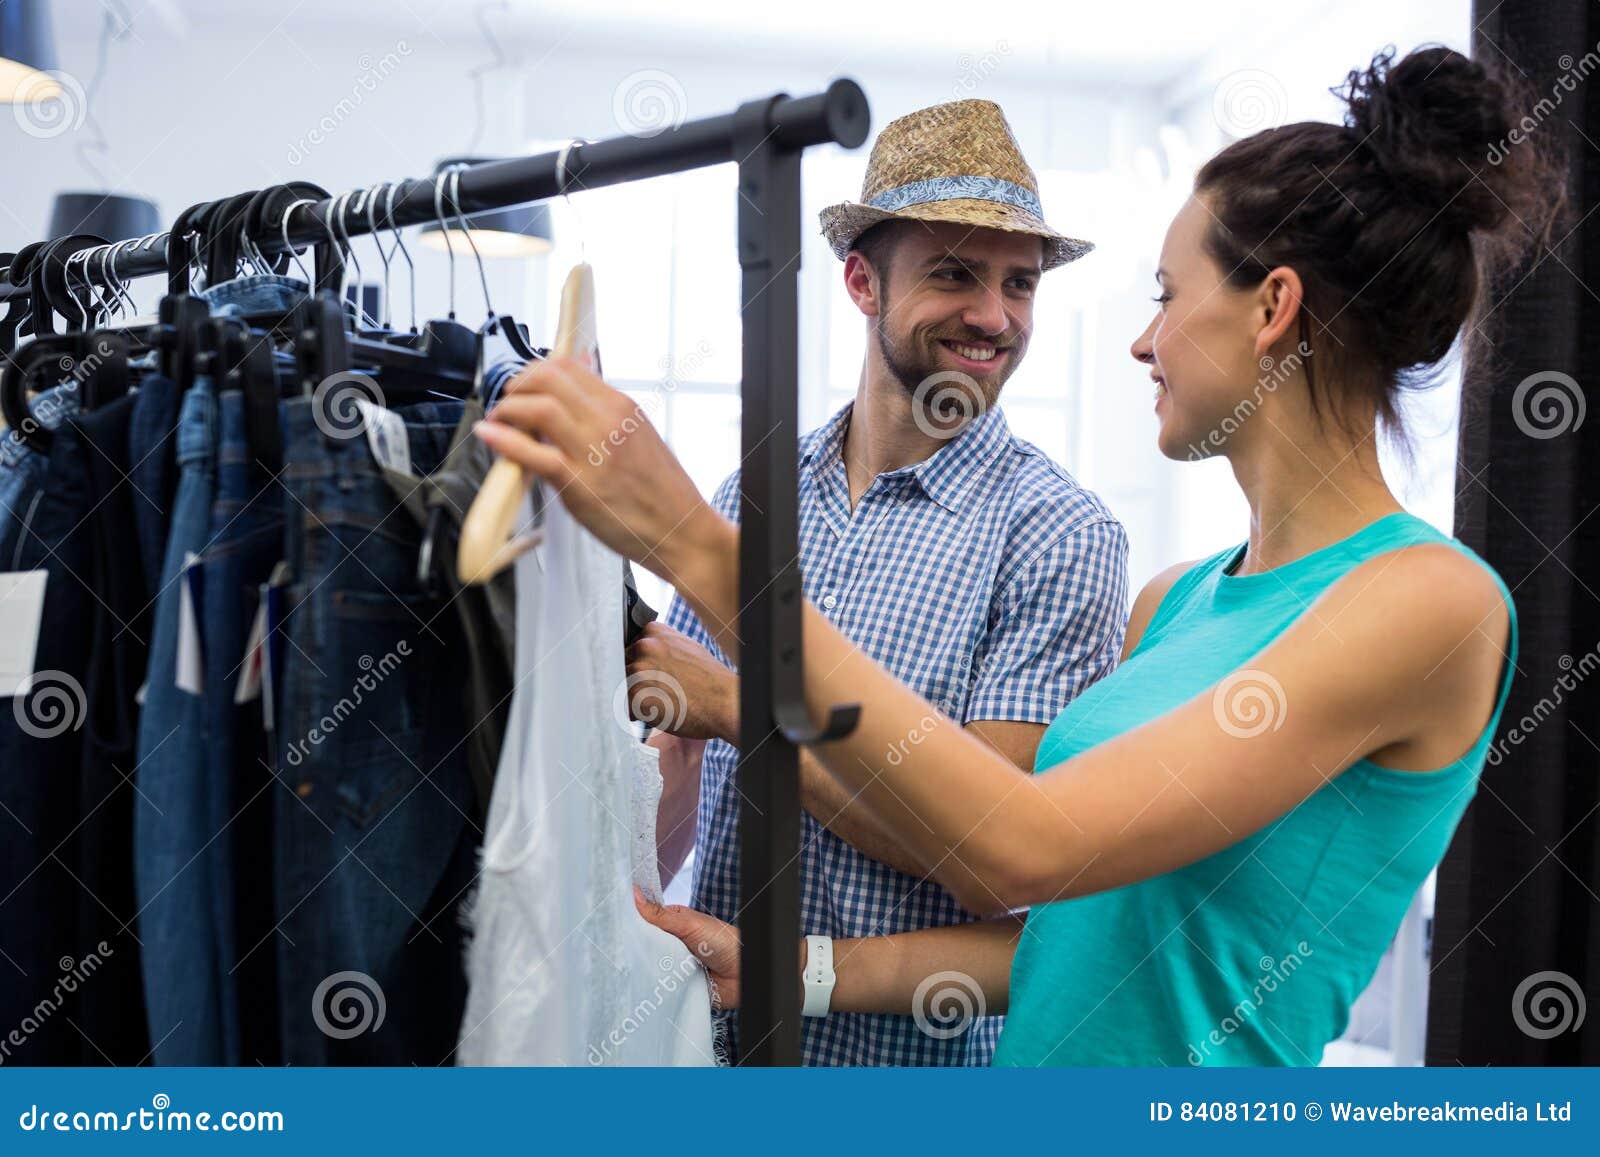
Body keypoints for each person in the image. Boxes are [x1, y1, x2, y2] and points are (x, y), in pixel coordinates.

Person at [473, 44, 1562, 1065]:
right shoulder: (1177, 602)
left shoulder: (1430, 601)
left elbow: (1016, 844)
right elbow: (1068, 932)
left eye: (1166, 295)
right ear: (863, 282)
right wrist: (785, 968)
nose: (1141, 340)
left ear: (1273, 307)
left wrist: (701, 562)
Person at [613, 99, 1128, 1065]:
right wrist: (617, 908)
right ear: (861, 281)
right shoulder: (753, 495)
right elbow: (678, 758)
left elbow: (985, 856)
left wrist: (738, 708)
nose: (995, 317)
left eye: (1019, 284)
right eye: (955, 273)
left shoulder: (1059, 537)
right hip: (714, 1047)